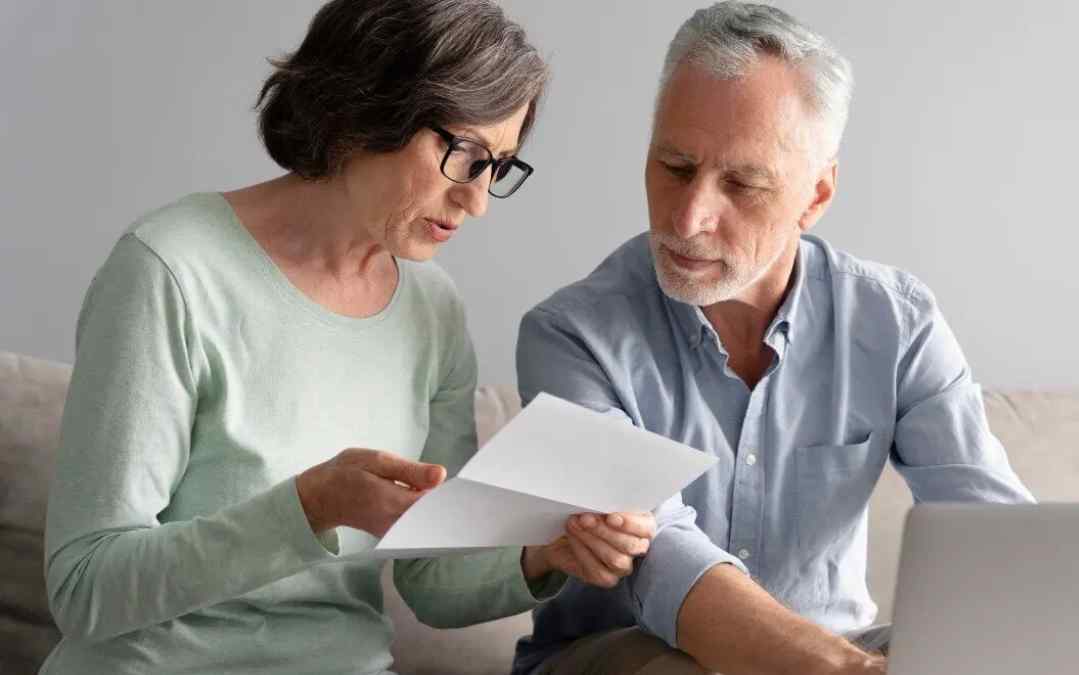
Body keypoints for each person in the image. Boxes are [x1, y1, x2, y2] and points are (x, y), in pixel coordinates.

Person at [41, 1, 653, 673]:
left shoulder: (433, 310)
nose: (477, 201)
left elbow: (432, 577)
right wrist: (309, 509)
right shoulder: (170, 271)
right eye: (463, 154)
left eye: (499, 166)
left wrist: (544, 553)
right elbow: (85, 587)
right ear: (366, 108)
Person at [513, 2, 1034, 674]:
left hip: (839, 647)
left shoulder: (897, 323)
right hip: (622, 656)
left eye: (742, 183)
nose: (689, 217)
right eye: (675, 166)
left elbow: (997, 539)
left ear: (815, 196)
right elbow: (658, 556)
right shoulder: (569, 336)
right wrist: (846, 669)